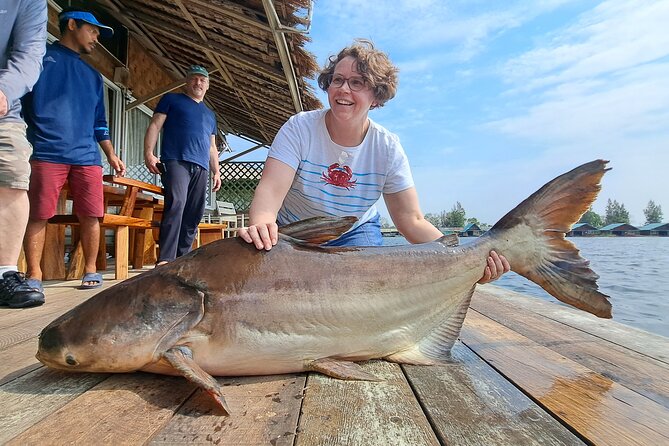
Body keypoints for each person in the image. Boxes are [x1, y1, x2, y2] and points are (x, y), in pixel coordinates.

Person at [239, 39, 510, 282]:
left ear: (377, 96)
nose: (343, 89)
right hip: (297, 230)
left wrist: (466, 259)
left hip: (356, 230)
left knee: (363, 295)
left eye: (357, 83)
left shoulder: (387, 148)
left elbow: (411, 220)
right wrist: (263, 222)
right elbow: (271, 190)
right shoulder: (299, 128)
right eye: (337, 80)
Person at [21, 8, 126, 291]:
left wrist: (111, 154)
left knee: (91, 214)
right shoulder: (39, 60)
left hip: (87, 157)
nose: (96, 38)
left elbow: (99, 123)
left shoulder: (93, 76)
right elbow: (19, 105)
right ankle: (34, 276)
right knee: (38, 214)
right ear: (71, 25)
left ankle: (91, 270)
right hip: (46, 152)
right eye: (92, 31)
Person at [144, 65, 222, 265]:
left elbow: (212, 147)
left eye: (202, 80)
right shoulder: (172, 100)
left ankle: (183, 258)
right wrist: (149, 153)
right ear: (187, 82)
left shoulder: (210, 115)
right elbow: (155, 125)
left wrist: (217, 172)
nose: (198, 83)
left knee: (195, 211)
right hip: (176, 159)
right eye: (194, 79)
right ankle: (166, 258)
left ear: (207, 86)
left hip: (201, 166)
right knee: (177, 204)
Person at [0, 0, 48, 308]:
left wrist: (4, 90)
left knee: (12, 174)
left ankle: (4, 272)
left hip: (3, 106)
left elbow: (29, 53)